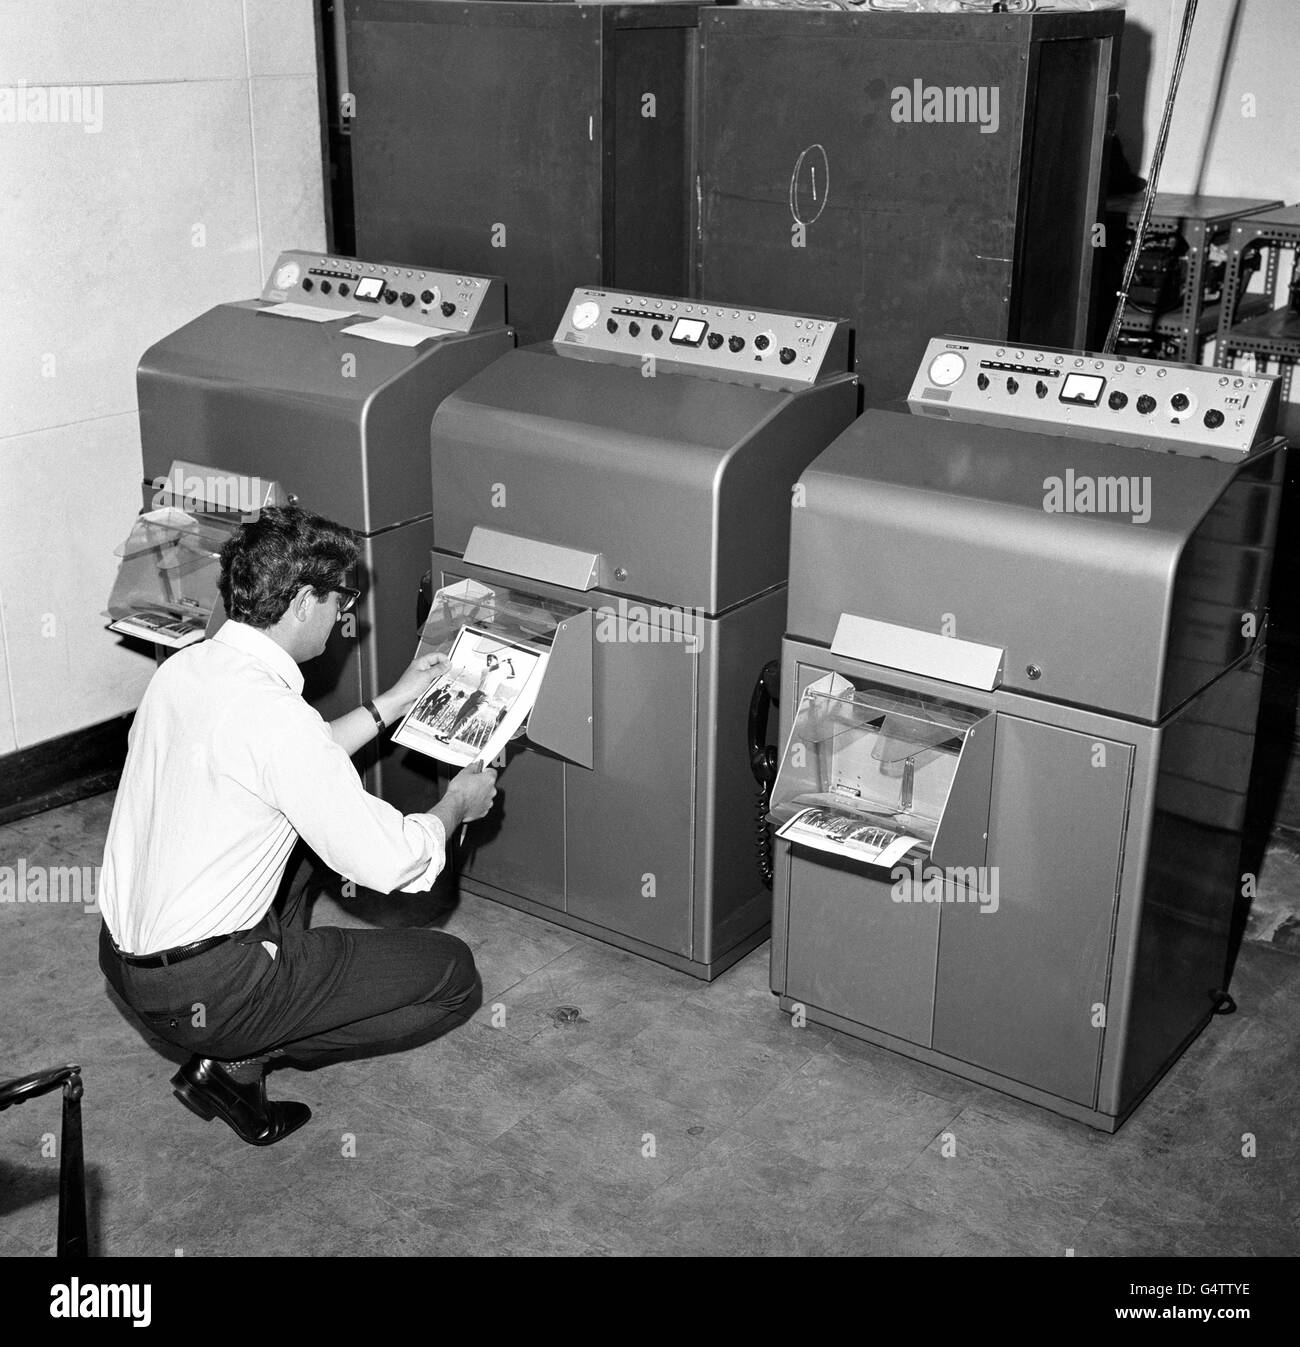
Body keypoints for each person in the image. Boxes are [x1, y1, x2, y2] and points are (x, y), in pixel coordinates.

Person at [98, 506, 498, 1146]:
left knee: (308, 847)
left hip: (124, 960)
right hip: (207, 989)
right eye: (344, 597)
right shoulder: (279, 719)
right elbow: (394, 862)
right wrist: (455, 804)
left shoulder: (187, 668)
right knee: (453, 977)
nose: (350, 617)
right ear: (305, 601)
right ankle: (238, 1059)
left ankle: (242, 1031)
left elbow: (285, 762)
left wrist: (390, 702)